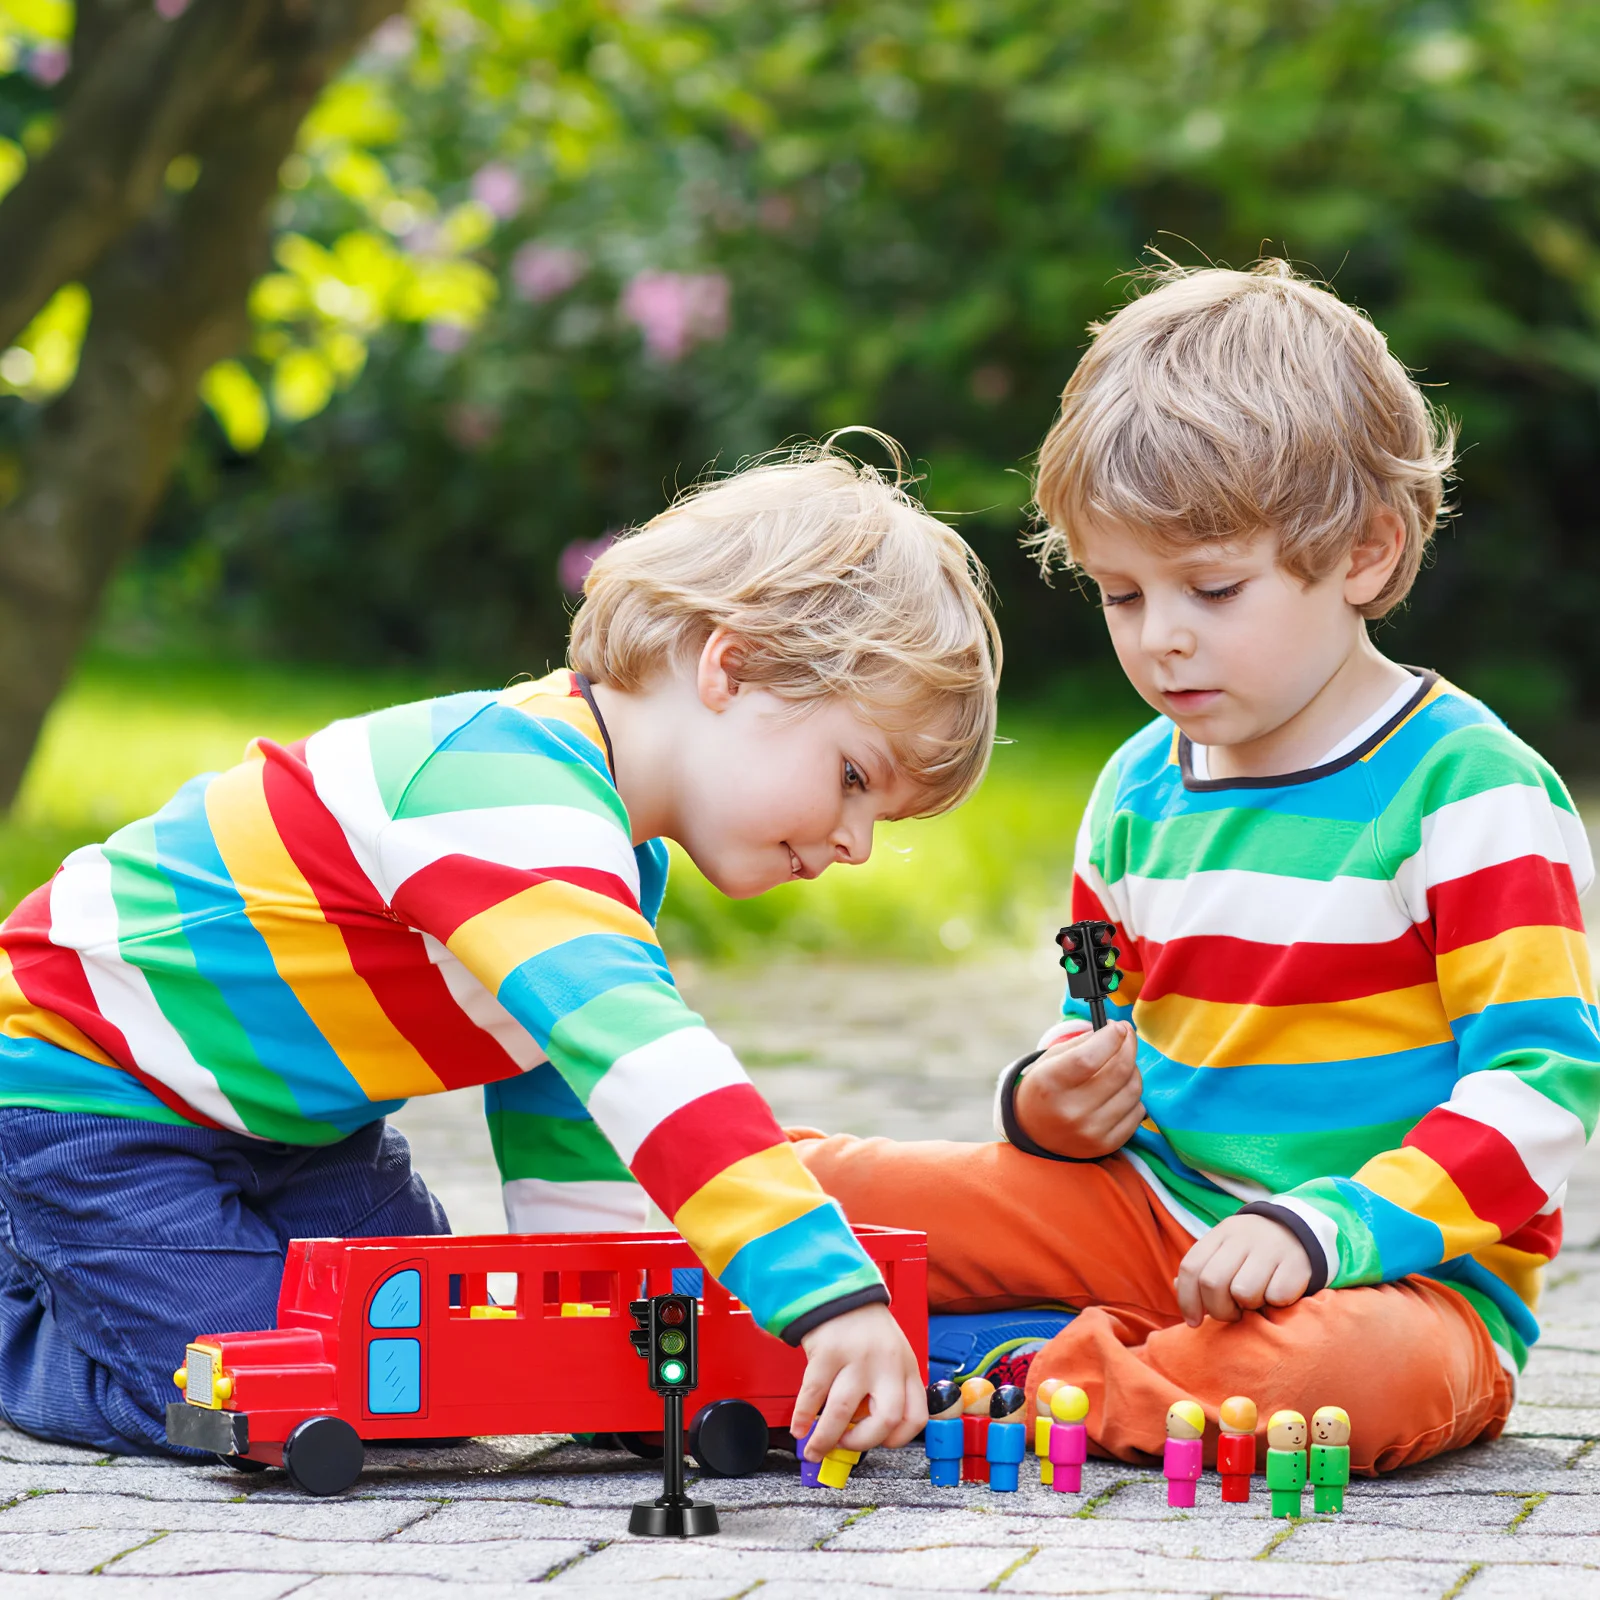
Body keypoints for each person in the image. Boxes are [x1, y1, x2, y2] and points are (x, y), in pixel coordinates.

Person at [0, 438, 1000, 1460]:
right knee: (297, 1397)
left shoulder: (609, 861)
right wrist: (827, 1294)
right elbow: (648, 1068)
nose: (857, 842)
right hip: (93, 1090)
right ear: (729, 667)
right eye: (851, 777)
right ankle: (23, 1310)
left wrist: (624, 1371)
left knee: (431, 1367)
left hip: (295, 1133)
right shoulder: (510, 793)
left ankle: (86, 1265)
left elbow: (572, 1126)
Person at [790, 262, 1600, 1473]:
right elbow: (1093, 1020)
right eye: (1121, 593)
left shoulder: (1469, 795)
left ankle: (1026, 1377)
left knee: (1336, 1377)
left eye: (1213, 588)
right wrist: (1044, 1099)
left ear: (1368, 553)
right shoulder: (1135, 788)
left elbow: (1541, 1086)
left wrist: (1326, 1227)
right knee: (799, 1183)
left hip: (1399, 1275)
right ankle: (963, 1329)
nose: (1161, 634)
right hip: (1146, 1210)